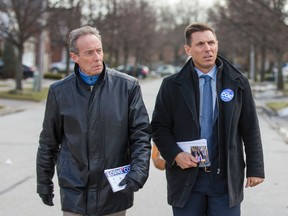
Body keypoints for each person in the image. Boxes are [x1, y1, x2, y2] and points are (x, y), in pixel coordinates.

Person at [151, 22, 265, 216]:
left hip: (225, 179)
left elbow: (250, 127)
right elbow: (159, 127)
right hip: (186, 178)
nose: (208, 49)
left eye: (211, 43)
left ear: (217, 44)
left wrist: (256, 168)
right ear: (188, 49)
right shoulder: (171, 86)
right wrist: (176, 155)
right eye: (200, 44)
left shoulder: (237, 82)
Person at [36, 26, 151, 216]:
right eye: (89, 53)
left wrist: (138, 172)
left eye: (99, 50)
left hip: (114, 190)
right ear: (75, 57)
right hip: (75, 190)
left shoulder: (127, 87)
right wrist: (44, 182)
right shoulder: (59, 92)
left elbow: (141, 135)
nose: (97, 57)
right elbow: (48, 142)